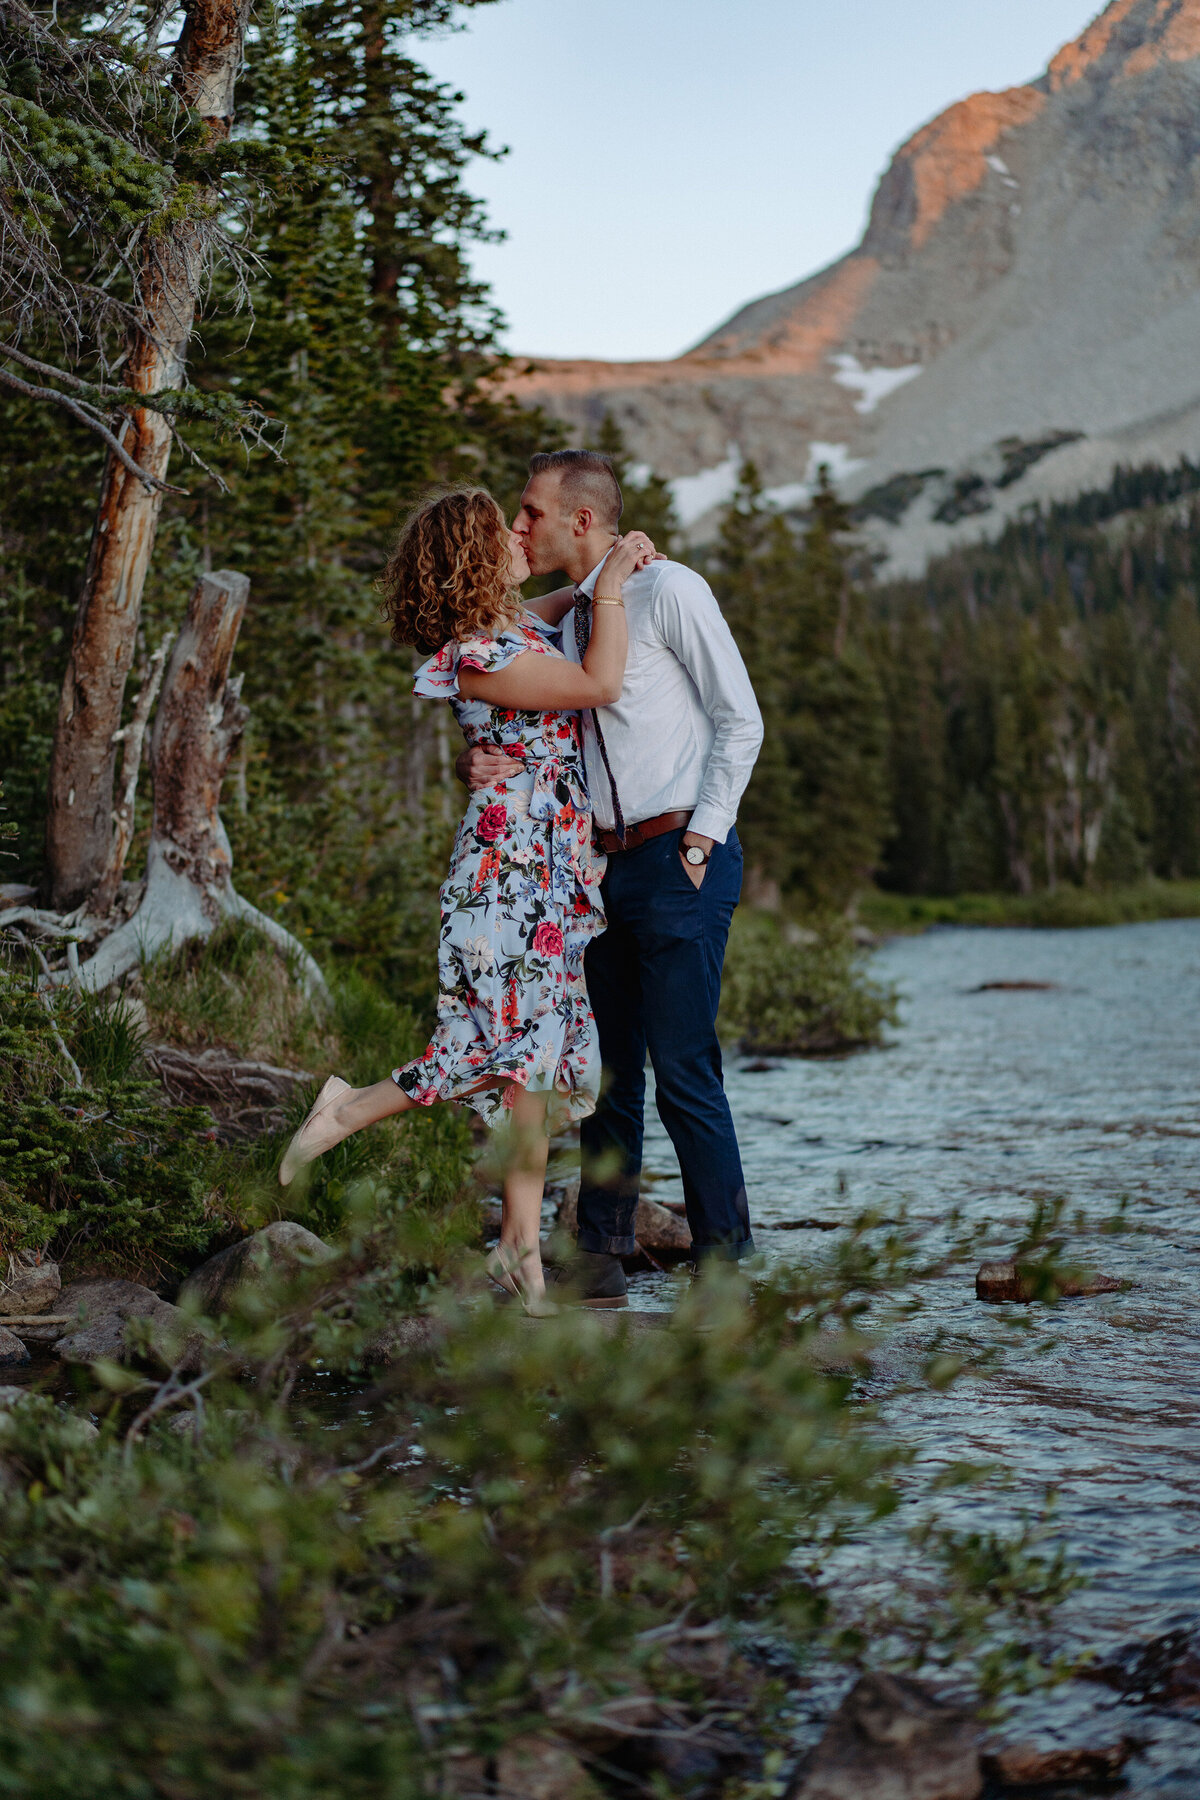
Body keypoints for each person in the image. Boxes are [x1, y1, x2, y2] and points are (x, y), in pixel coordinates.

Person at [279, 486, 659, 1314]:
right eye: (506, 532)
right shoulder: (480, 655)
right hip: (506, 879)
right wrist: (619, 584)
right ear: (476, 558)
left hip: (548, 874)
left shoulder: (513, 626)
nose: (524, 536)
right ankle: (349, 1107)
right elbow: (598, 684)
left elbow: (571, 595)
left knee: (535, 1070)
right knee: (505, 1053)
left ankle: (517, 1252)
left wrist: (612, 567)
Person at [457, 449, 763, 1308]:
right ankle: (600, 1255)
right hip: (592, 874)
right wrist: (475, 759)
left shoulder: (672, 593)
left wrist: (702, 840)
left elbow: (743, 720)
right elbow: (509, 690)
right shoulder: (567, 619)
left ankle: (723, 1266)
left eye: (530, 514)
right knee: (605, 1072)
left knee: (685, 1066)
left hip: (678, 859)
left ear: (580, 519)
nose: (520, 528)